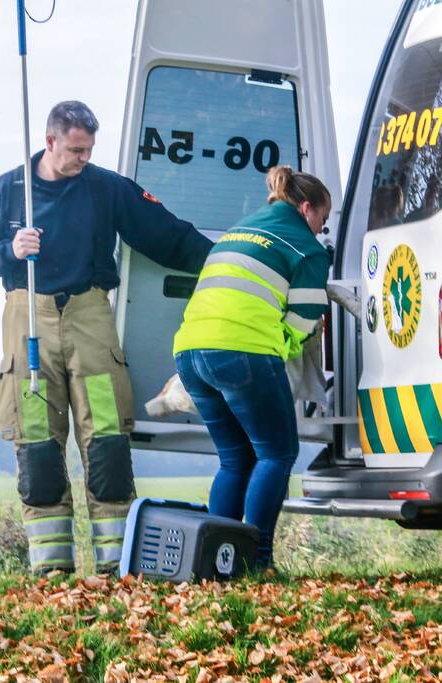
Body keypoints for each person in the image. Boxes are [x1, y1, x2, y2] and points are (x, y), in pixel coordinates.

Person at [0, 101, 213, 575]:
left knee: (108, 442)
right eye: (75, 149)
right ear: (50, 141)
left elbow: (167, 235)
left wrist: (224, 260)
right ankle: (51, 572)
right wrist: (8, 250)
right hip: (27, 315)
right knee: (36, 443)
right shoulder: (7, 190)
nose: (83, 158)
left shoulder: (105, 188)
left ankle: (116, 566)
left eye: (89, 149)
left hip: (90, 314)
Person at [172, 165, 332, 569]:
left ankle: (215, 560)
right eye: (323, 221)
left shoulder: (237, 231)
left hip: (190, 353)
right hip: (241, 353)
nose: (321, 231)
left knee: (235, 459)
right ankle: (257, 560)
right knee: (278, 453)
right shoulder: (306, 247)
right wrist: (284, 345)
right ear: (307, 207)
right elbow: (304, 321)